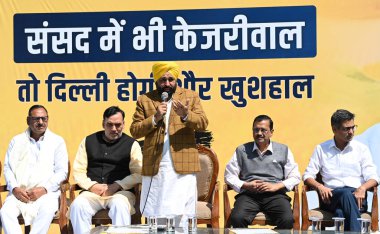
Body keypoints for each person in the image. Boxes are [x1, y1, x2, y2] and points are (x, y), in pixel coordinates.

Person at [130, 61, 208, 227]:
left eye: (170, 79)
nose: (167, 84)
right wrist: (154, 118)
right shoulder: (145, 100)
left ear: (176, 79)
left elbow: (202, 123)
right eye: (162, 80)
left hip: (183, 165)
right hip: (156, 165)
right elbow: (135, 131)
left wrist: (186, 115)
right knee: (157, 213)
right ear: (156, 81)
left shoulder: (190, 96)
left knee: (182, 215)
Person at [69, 106, 142, 234]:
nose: (114, 129)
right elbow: (78, 171)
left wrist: (118, 185)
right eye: (110, 125)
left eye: (118, 125)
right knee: (78, 206)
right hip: (92, 193)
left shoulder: (131, 144)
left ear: (124, 124)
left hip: (121, 193)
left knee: (119, 206)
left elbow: (138, 173)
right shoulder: (88, 141)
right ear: (103, 123)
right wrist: (92, 186)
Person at [303, 109, 379, 231]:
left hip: (357, 197)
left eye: (353, 127)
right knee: (344, 194)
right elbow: (307, 176)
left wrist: (363, 188)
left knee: (340, 213)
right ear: (334, 129)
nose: (351, 132)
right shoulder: (321, 149)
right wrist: (320, 187)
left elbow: (374, 177)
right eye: (346, 129)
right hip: (331, 196)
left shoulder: (361, 149)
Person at [0, 105, 68, 234]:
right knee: (5, 212)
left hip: (46, 194)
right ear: (28, 120)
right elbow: (7, 168)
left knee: (47, 210)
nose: (41, 122)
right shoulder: (16, 141)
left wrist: (43, 189)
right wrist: (14, 188)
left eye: (44, 118)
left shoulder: (57, 141)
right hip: (20, 193)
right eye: (36, 119)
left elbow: (62, 171)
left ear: (48, 119)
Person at [224, 115, 300, 229]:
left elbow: (295, 176)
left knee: (287, 220)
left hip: (275, 195)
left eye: (263, 130)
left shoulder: (283, 150)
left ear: (271, 132)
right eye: (256, 130)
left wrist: (276, 186)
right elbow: (229, 175)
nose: (259, 133)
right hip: (249, 195)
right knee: (237, 218)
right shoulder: (242, 150)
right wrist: (246, 185)